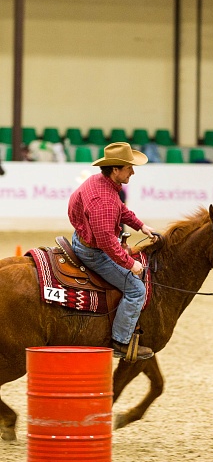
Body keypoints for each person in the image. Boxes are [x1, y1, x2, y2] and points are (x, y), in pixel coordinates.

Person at [68, 142, 158, 361]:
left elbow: (121, 209)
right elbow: (107, 242)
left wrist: (140, 225)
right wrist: (130, 264)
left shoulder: (98, 182)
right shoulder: (104, 200)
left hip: (81, 237)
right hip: (93, 252)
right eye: (129, 167)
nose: (133, 171)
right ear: (116, 169)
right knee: (136, 290)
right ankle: (120, 341)